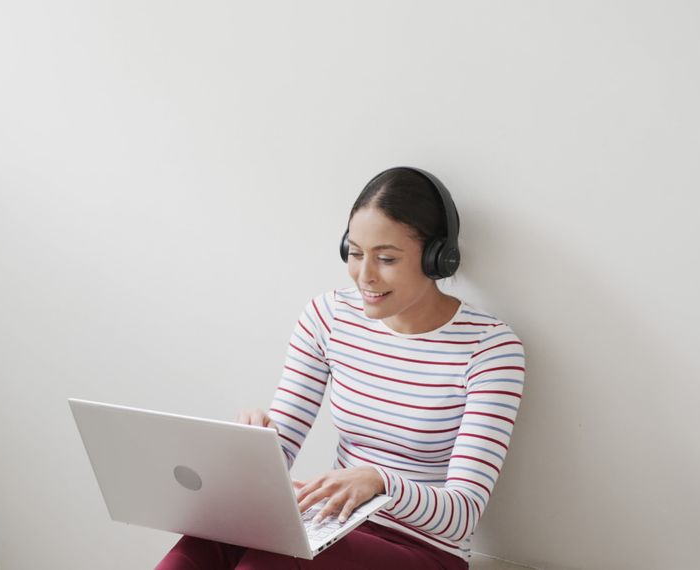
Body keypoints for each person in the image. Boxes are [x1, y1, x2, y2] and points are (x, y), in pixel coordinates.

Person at [156, 167, 525, 569]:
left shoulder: (489, 349)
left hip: (423, 550)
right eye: (354, 253)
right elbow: (282, 447)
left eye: (386, 258)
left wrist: (379, 482)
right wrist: (254, 446)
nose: (364, 276)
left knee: (268, 562)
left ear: (438, 258)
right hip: (332, 522)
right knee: (199, 545)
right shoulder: (328, 316)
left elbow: (462, 515)